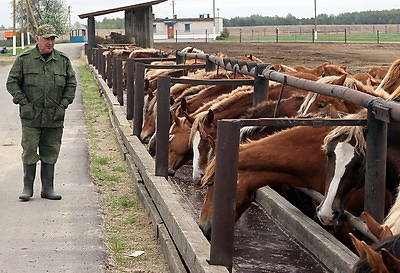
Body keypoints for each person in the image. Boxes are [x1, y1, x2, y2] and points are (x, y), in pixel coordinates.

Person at [6, 24, 77, 201]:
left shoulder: (63, 60)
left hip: (54, 115)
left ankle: (48, 189)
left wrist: (64, 104)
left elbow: (71, 84)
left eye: (52, 39)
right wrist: (23, 102)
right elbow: (12, 82)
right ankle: (27, 188)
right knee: (30, 149)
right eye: (46, 38)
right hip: (31, 116)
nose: (50, 42)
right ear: (37, 39)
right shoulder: (24, 59)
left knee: (51, 150)